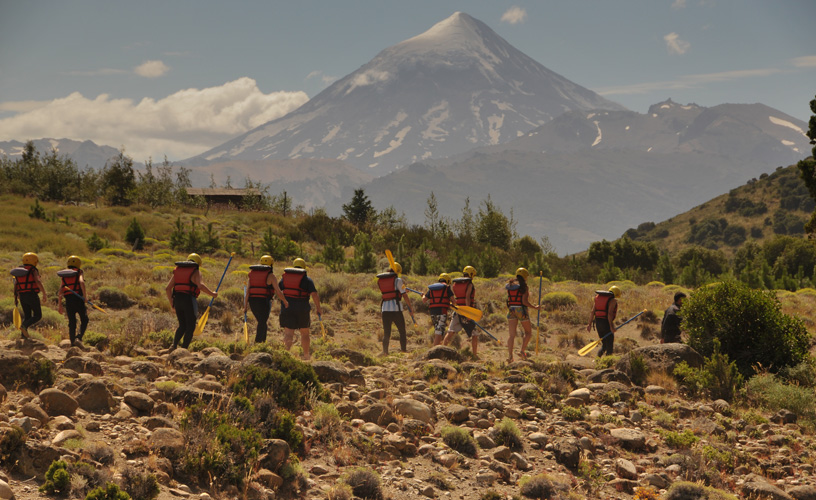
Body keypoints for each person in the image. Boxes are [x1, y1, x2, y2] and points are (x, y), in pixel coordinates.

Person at [165, 253, 217, 349]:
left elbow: (167, 288)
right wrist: (213, 294)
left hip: (177, 300)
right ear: (198, 263)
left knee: (182, 325)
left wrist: (172, 303)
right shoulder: (196, 271)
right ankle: (184, 349)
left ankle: (174, 345)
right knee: (190, 326)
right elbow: (200, 285)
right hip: (188, 300)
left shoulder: (178, 270)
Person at [279, 258, 322, 360]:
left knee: (289, 333)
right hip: (302, 309)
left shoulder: (285, 278)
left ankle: (286, 356)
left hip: (287, 308)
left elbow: (278, 290)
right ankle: (306, 355)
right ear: (304, 267)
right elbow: (314, 294)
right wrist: (318, 308)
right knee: (305, 333)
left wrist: (284, 301)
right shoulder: (307, 279)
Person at [243, 255, 289, 343]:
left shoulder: (252, 274)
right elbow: (278, 292)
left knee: (262, 322)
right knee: (262, 322)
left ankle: (262, 342)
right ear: (271, 264)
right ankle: (258, 343)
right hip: (263, 302)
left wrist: (245, 306)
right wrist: (285, 301)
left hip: (252, 302)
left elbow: (247, 291)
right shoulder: (271, 275)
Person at [377, 261, 415, 355]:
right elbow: (404, 295)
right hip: (396, 309)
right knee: (402, 331)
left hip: (385, 309)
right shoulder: (398, 280)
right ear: (398, 271)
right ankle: (403, 351)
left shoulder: (381, 280)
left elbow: (391, 291)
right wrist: (410, 308)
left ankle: (385, 352)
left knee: (387, 332)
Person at [10, 252, 48, 338]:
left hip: (22, 296)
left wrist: (16, 297)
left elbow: (16, 285)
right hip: (32, 295)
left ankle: (23, 336)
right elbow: (38, 281)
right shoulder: (33, 270)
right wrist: (44, 293)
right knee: (38, 315)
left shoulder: (19, 271)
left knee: (27, 316)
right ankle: (24, 326)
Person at [506, 268, 540, 362]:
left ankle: (510, 356)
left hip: (511, 310)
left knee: (511, 335)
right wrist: (535, 307)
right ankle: (522, 351)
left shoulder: (510, 285)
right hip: (521, 310)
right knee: (528, 332)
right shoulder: (524, 286)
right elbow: (524, 302)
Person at [444, 265, 479, 357]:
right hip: (466, 311)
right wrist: (468, 312)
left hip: (458, 310)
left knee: (450, 332)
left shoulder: (456, 284)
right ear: (471, 274)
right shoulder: (469, 284)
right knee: (474, 334)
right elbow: (467, 297)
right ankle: (475, 355)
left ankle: (442, 349)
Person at [57, 255, 89, 346]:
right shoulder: (79, 272)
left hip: (68, 301)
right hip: (78, 299)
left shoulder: (65, 275)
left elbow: (61, 290)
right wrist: (85, 297)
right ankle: (78, 337)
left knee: (72, 322)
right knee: (84, 319)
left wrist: (59, 305)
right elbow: (81, 282)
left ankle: (72, 342)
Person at [587, 285, 620, 357]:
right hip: (606, 323)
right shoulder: (613, 300)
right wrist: (611, 326)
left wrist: (589, 324)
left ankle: (598, 360)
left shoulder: (599, 298)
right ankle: (608, 363)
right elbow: (610, 313)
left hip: (598, 323)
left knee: (604, 345)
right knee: (609, 345)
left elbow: (592, 311)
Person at [422, 273, 454, 346]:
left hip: (432, 312)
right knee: (439, 332)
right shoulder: (447, 288)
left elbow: (424, 300)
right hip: (442, 311)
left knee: (437, 330)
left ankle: (438, 347)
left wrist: (422, 295)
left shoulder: (432, 288)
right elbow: (454, 301)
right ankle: (435, 350)